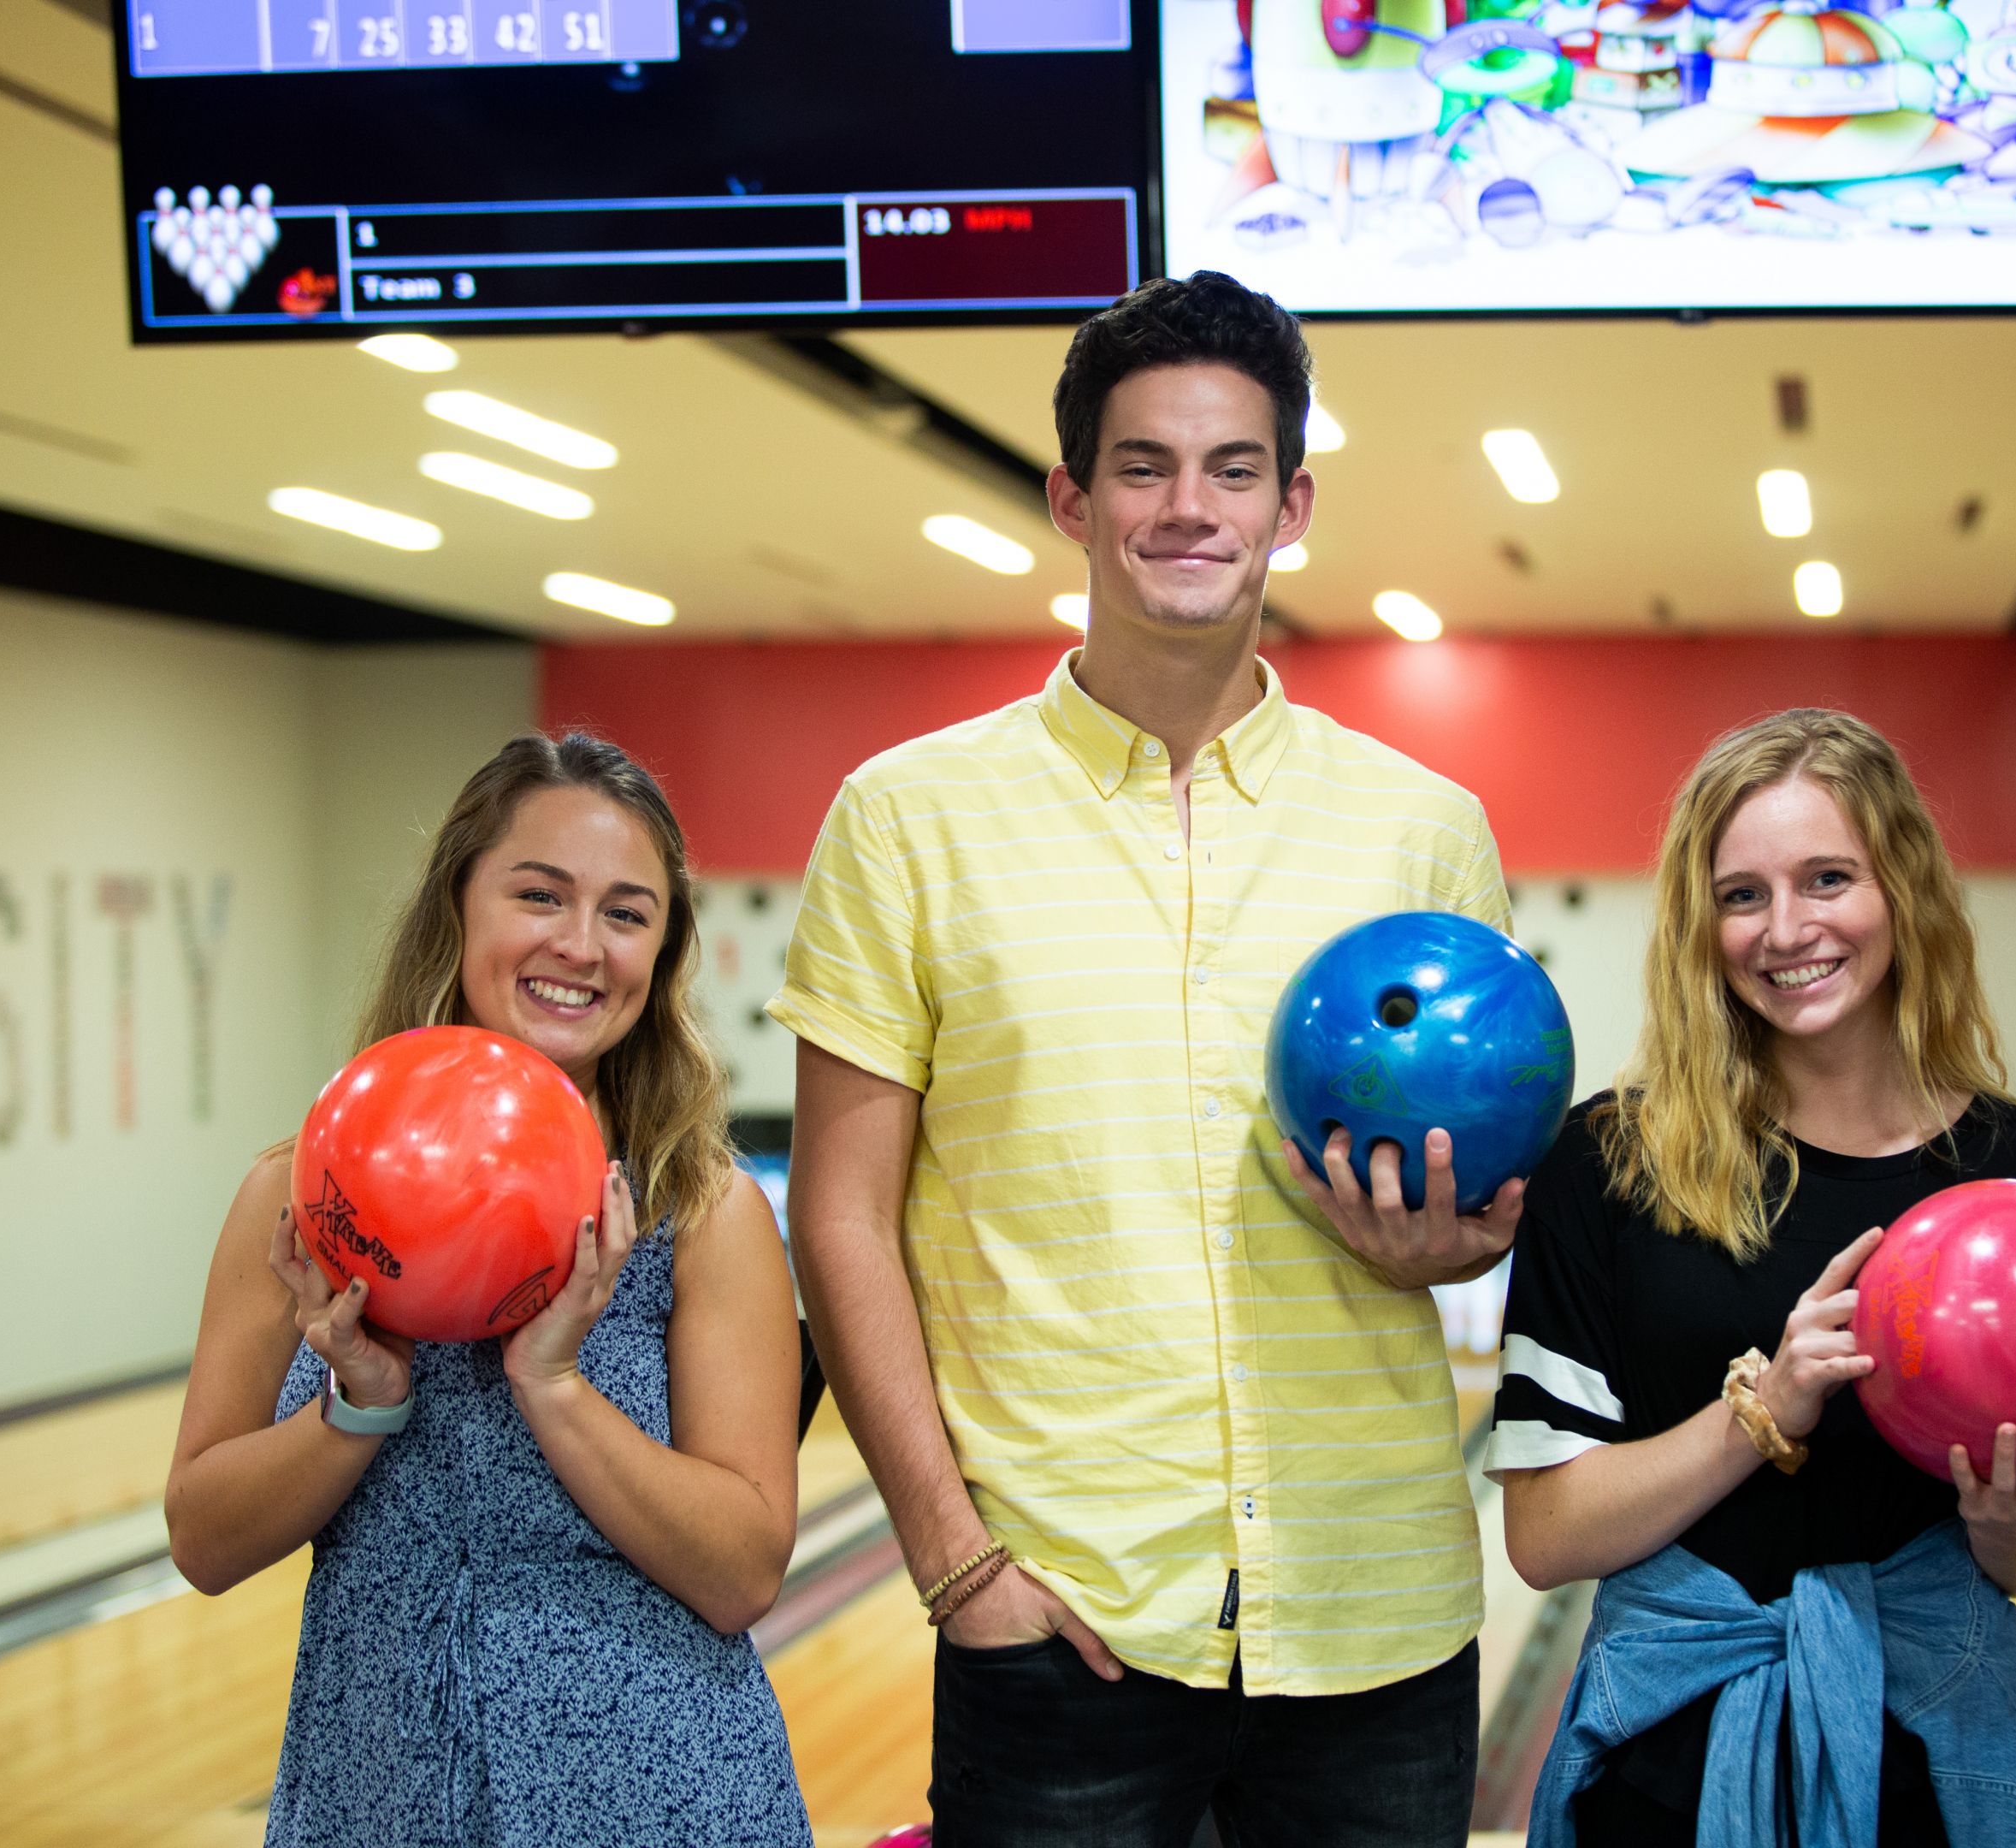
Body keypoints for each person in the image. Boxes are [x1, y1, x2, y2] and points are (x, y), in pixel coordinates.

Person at [770, 271, 1515, 1847]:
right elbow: (839, 1216)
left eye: (1233, 468)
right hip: (1062, 1617)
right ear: (1071, 497)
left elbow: (1485, 1177)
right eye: (1144, 466)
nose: (1191, 507)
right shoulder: (907, 818)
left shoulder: (1422, 827)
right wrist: (951, 1559)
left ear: (1292, 503)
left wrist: (1462, 1241)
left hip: (1371, 1605)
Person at [1487, 708, 2016, 1845]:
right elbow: (1545, 1538)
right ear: (1703, 926)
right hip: (1669, 1767)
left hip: (1937, 1764)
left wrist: (2012, 1523)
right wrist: (1764, 1410)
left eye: (1828, 878)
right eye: (1743, 895)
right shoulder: (1608, 1165)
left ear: (1901, 889)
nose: (1787, 929)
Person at [164, 732, 812, 1847]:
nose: (580, 944)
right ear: (455, 909)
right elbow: (204, 1541)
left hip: (659, 1794)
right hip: (383, 1790)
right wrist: (358, 1405)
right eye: (538, 894)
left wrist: (554, 1385)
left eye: (627, 913)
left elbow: (743, 1568)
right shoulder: (302, 1195)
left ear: (661, 953)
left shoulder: (701, 1217)